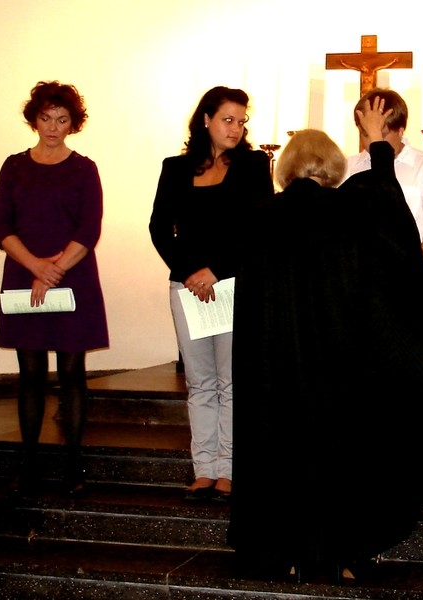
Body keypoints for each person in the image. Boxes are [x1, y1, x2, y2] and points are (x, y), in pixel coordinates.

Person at [228, 98, 423, 582]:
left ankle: (279, 551)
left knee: (279, 453)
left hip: (275, 367)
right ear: (333, 167)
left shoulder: (261, 217)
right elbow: (389, 211)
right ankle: (339, 552)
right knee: (337, 454)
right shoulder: (351, 209)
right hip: (335, 363)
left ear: (285, 168)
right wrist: (378, 145)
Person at [149, 86, 273, 502]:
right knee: (200, 383)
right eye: (227, 119)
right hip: (186, 286)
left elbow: (258, 230)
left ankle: (231, 470)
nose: (236, 128)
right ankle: (204, 470)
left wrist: (216, 270)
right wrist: (189, 273)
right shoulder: (175, 168)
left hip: (233, 283)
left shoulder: (253, 165)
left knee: (232, 381)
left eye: (241, 121)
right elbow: (159, 227)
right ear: (206, 119)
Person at [0, 81, 109, 497]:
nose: (53, 127)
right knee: (30, 375)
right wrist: (37, 267)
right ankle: (29, 464)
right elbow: (2, 226)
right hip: (25, 276)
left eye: (62, 120)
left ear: (73, 123)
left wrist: (54, 270)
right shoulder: (13, 166)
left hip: (72, 277)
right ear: (34, 120)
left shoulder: (84, 169)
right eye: (46, 118)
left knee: (72, 374)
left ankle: (73, 463)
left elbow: (89, 229)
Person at [346, 88, 423, 321]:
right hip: (361, 301)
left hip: (415, 296)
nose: (372, 143)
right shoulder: (348, 168)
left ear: (401, 130)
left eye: (381, 134)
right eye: (366, 134)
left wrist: (397, 280)